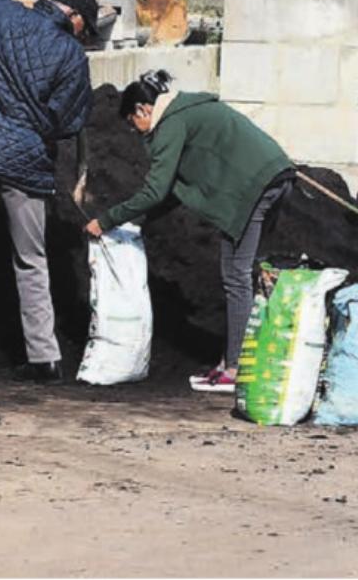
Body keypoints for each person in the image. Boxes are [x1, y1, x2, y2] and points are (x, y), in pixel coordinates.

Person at [84, 70, 295, 394]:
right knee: (241, 273)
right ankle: (233, 361)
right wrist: (139, 221)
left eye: (132, 122)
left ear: (143, 109)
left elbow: (155, 190)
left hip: (252, 188)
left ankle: (236, 368)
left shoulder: (171, 123)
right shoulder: (188, 111)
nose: (134, 131)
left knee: (236, 275)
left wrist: (107, 219)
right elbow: (168, 194)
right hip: (274, 177)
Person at [0, 0, 99, 384]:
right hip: (26, 164)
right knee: (32, 261)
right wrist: (36, 131)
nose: (83, 36)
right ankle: (45, 359)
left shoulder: (4, 17)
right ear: (72, 16)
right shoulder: (71, 56)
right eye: (84, 27)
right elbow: (68, 120)